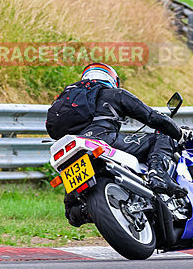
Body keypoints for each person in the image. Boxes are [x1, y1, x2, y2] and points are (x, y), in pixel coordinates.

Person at [46, 61, 185, 193]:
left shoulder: (69, 101)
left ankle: (73, 206)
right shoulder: (114, 94)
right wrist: (179, 133)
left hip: (71, 145)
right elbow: (151, 116)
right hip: (103, 139)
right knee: (162, 138)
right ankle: (158, 176)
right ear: (112, 80)